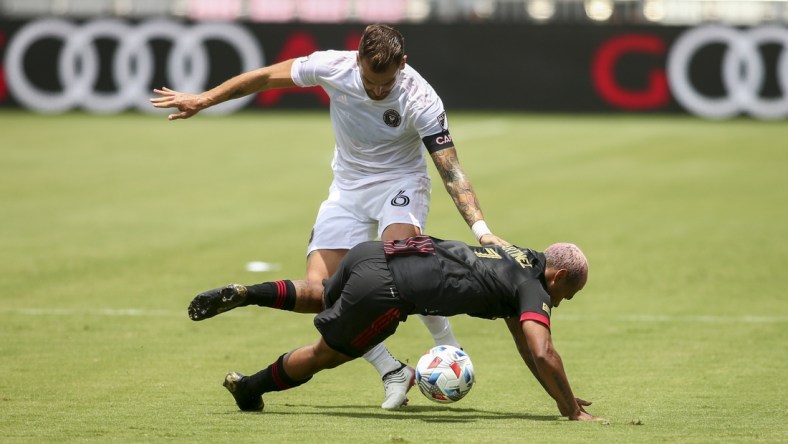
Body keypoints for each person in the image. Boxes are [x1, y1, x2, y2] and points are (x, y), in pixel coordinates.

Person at [151, 24, 509, 409]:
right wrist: (203, 100)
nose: (376, 91)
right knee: (324, 293)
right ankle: (393, 370)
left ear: (403, 65)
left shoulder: (420, 98)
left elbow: (450, 170)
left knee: (401, 269)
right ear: (357, 62)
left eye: (385, 84)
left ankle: (448, 348)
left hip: (400, 184)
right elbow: (264, 77)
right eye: (370, 82)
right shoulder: (332, 67)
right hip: (347, 189)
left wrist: (482, 230)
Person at [187, 235, 600, 421]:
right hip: (388, 290)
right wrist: (571, 412)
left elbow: (529, 351)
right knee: (325, 354)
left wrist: (559, 393)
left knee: (324, 292)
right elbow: (543, 350)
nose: (561, 303)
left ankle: (248, 292)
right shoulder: (534, 288)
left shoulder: (518, 257)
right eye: (568, 293)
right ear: (559, 275)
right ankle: (249, 388)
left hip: (375, 253)